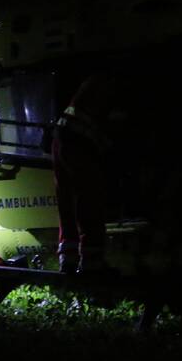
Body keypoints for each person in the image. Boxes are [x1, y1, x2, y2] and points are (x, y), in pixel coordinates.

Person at [52, 73, 129, 275]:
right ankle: (91, 262)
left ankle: (68, 260)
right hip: (80, 142)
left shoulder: (93, 82)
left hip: (61, 138)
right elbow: (114, 131)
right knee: (90, 200)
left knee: (67, 200)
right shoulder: (116, 88)